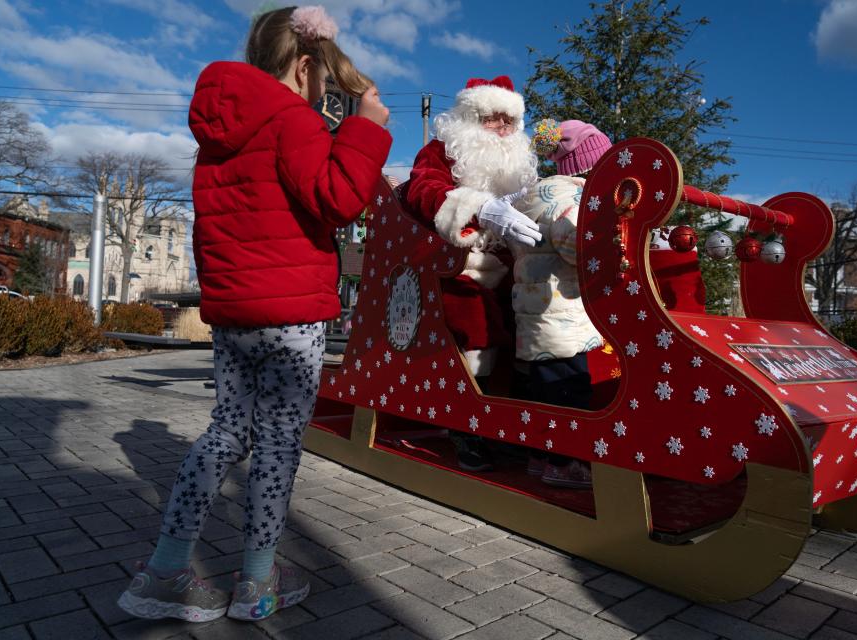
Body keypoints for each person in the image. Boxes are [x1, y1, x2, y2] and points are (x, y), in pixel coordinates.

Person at [116, 5, 391, 623]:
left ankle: (166, 568)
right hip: (292, 316)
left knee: (226, 432)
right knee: (276, 447)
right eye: (319, 80)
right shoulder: (291, 120)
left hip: (235, 314)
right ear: (302, 68)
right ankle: (256, 582)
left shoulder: (216, 138)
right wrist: (365, 127)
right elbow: (339, 199)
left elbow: (217, 228)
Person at [400, 75, 541, 472]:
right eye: (493, 120)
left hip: (514, 267)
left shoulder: (521, 167)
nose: (503, 129)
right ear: (470, 118)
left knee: (530, 326)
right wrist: (477, 207)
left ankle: (508, 425)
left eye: (509, 122)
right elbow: (422, 190)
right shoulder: (441, 151)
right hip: (455, 263)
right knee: (475, 324)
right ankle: (466, 426)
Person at [510, 119, 613, 489]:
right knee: (571, 391)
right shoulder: (573, 197)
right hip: (564, 315)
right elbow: (574, 248)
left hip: (535, 312)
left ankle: (540, 456)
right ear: (590, 163)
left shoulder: (533, 196)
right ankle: (563, 462)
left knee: (542, 389)